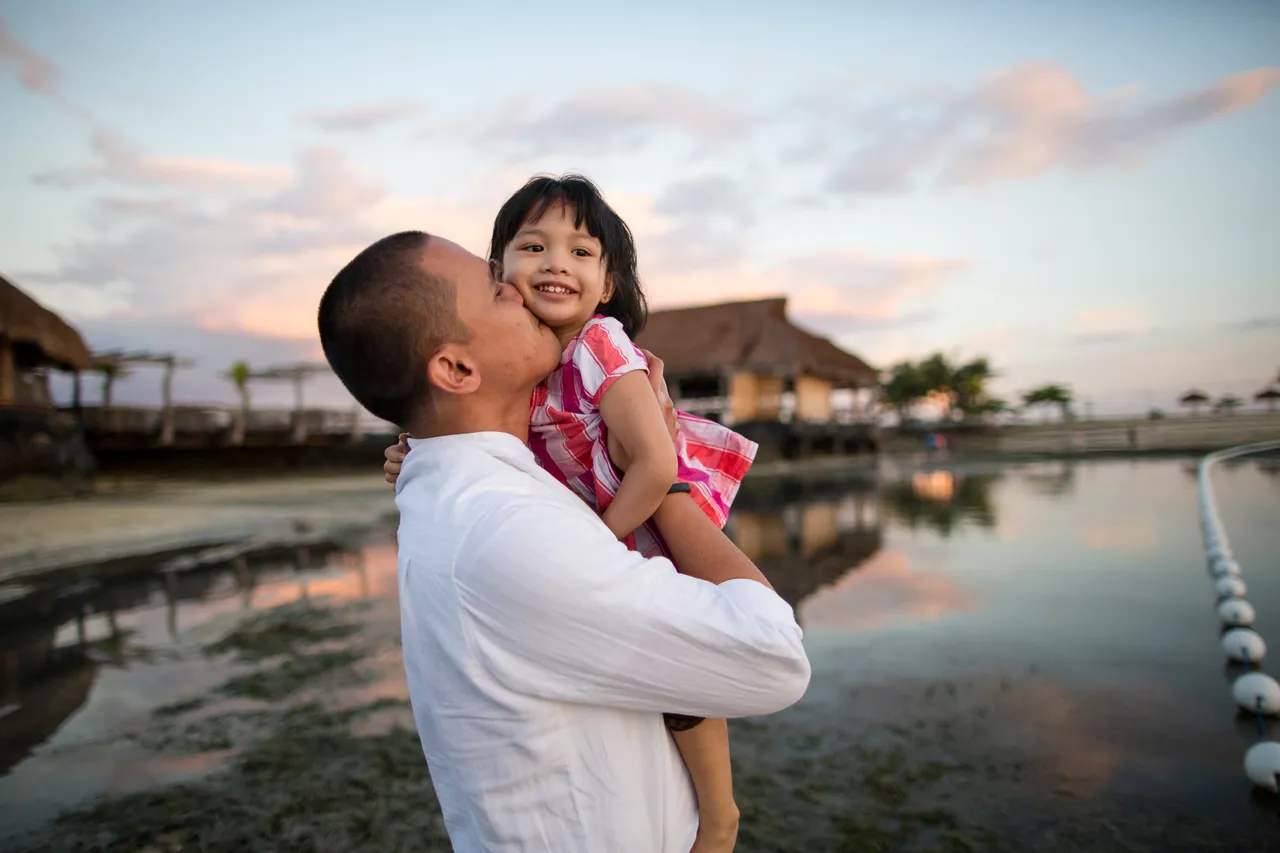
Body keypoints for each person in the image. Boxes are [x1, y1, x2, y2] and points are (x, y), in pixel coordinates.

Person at [318, 231, 810, 853]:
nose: (525, 292)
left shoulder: (483, 487)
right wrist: (669, 474)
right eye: (499, 291)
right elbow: (774, 661)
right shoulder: (504, 531)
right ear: (456, 369)